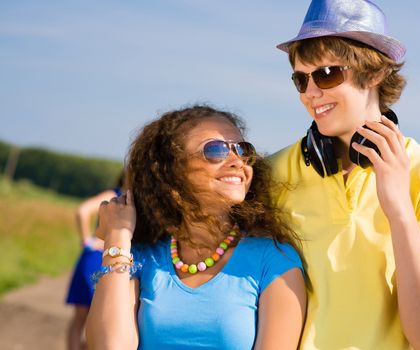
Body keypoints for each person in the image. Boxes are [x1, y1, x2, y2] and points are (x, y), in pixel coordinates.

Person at [269, 0, 420, 349]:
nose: (311, 93)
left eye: (327, 74)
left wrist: (399, 209)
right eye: (301, 79)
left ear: (374, 73)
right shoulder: (273, 173)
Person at [85, 105, 307, 349]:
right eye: (216, 150)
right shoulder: (142, 258)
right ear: (171, 172)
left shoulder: (273, 260)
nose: (237, 161)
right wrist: (117, 238)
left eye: (243, 150)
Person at [65, 171, 124, 350]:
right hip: (97, 259)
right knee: (87, 317)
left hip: (109, 261)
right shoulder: (114, 195)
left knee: (93, 320)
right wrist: (87, 242)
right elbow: (83, 211)